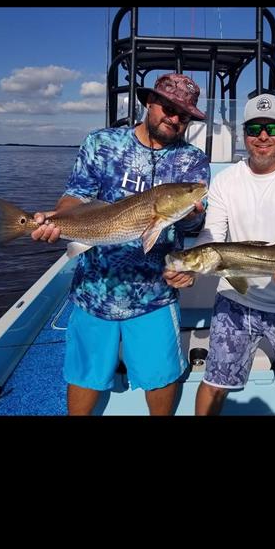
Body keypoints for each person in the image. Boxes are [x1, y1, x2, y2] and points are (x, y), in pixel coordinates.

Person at [31, 74, 210, 415]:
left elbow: (196, 222)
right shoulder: (101, 143)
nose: (174, 118)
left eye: (183, 115)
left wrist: (188, 213)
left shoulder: (192, 161)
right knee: (84, 375)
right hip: (94, 287)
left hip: (154, 292)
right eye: (167, 108)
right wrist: (56, 220)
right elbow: (76, 197)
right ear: (148, 103)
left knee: (161, 377)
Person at [193, 93, 275, 416]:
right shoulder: (224, 181)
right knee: (213, 383)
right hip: (235, 301)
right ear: (244, 134)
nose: (263, 136)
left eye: (273, 128)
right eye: (254, 128)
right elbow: (211, 234)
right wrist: (191, 262)